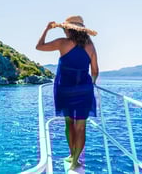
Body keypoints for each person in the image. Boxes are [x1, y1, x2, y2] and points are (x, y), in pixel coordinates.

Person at [35, 15, 99, 170]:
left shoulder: (62, 43)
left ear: (68, 29)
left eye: (64, 28)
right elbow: (95, 71)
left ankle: (72, 155)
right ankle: (75, 160)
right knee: (81, 127)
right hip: (84, 89)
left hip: (64, 88)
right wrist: (91, 85)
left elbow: (39, 46)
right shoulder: (90, 46)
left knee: (69, 123)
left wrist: (47, 29)